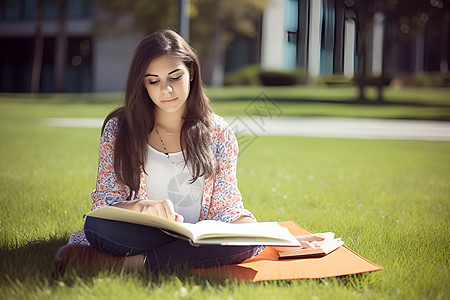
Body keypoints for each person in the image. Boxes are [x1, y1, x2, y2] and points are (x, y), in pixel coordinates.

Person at [53, 29, 262, 273]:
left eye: (175, 77)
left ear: (191, 72)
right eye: (154, 81)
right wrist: (142, 207)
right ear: (143, 84)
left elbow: (227, 207)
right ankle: (178, 257)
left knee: (248, 240)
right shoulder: (119, 130)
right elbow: (104, 204)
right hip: (142, 235)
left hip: (198, 236)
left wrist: (262, 233)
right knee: (98, 225)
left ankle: (128, 264)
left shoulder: (218, 132)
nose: (166, 90)